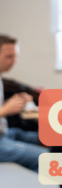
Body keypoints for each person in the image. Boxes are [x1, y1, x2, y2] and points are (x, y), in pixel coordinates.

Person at [0, 34, 47, 172]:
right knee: (47, 159)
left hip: (5, 133)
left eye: (16, 56)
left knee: (50, 137)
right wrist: (5, 110)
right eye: (9, 57)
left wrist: (14, 102)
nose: (14, 61)